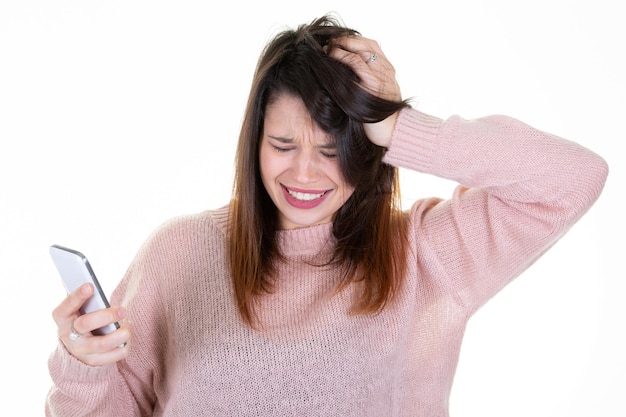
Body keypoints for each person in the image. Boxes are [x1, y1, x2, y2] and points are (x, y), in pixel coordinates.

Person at [45, 14, 608, 417]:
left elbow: (572, 177)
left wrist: (396, 126)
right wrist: (82, 364)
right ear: (254, 143)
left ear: (367, 152)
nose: (305, 175)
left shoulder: (422, 253)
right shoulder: (181, 250)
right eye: (283, 145)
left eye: (332, 149)